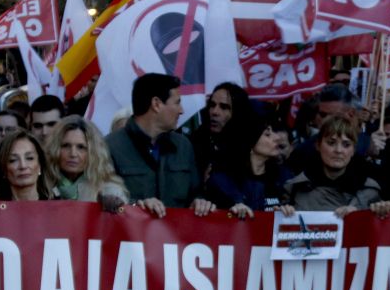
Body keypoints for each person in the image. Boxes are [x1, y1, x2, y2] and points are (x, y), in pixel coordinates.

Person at [106, 73, 214, 217]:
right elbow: (103, 199)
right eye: (177, 102)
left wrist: (199, 202)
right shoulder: (110, 147)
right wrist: (137, 206)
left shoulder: (183, 147)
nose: (181, 110)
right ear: (156, 104)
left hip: (175, 231)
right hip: (130, 230)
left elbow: (196, 192)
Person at [285, 114, 381, 215]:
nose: (338, 150)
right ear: (318, 145)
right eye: (331, 143)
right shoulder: (295, 188)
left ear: (353, 150)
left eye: (346, 145)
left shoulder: (369, 190)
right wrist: (282, 211)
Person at [206, 110, 291, 216]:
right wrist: (233, 212)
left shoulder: (283, 177)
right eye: (267, 134)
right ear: (250, 142)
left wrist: (284, 212)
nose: (277, 138)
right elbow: (218, 218)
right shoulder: (224, 182)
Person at [47, 115, 129, 210]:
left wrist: (112, 204)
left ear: (93, 152)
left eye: (81, 147)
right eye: (66, 146)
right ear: (55, 148)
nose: (73, 154)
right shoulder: (42, 184)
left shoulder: (108, 190)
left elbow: (122, 213)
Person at [189, 82, 251, 179]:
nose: (215, 112)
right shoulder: (194, 143)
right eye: (212, 105)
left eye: (224, 107)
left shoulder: (250, 148)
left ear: (238, 112)